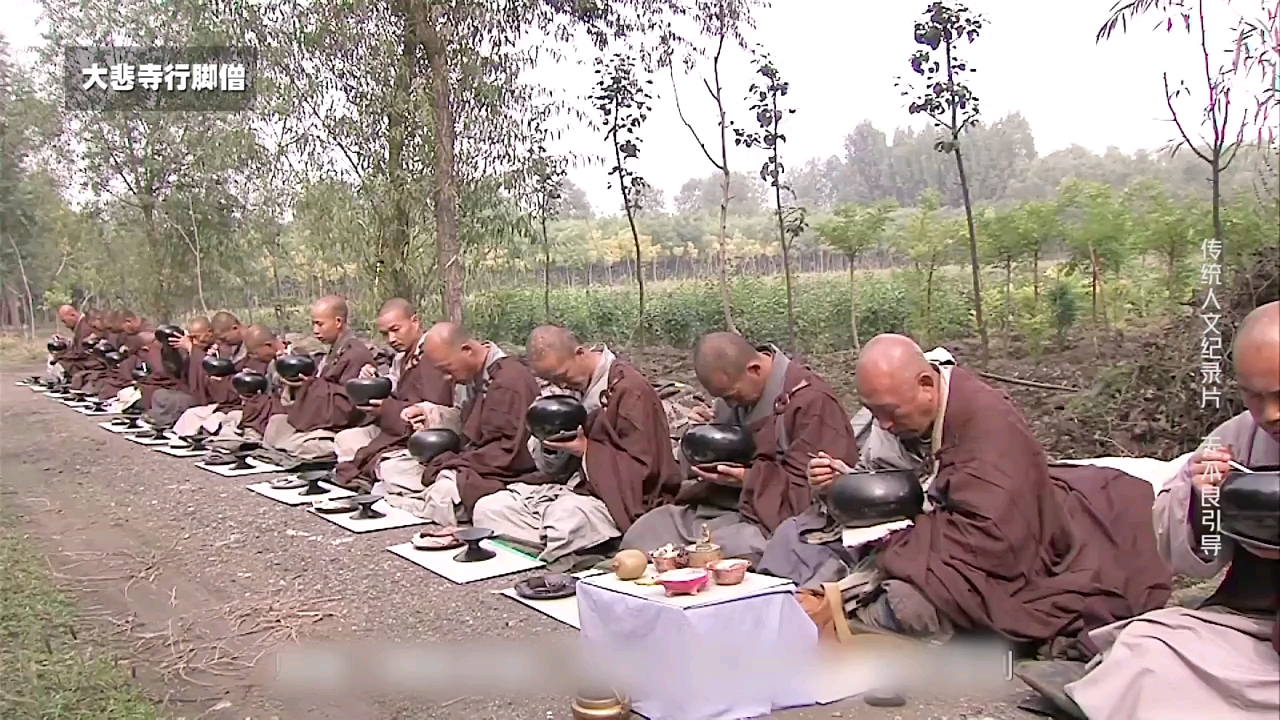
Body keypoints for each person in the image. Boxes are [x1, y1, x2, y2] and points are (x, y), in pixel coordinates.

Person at [782, 334, 1171, 653]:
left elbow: (995, 539)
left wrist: (902, 539)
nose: (882, 423)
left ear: (926, 385)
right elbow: (908, 482)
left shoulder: (988, 430)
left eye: (889, 412)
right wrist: (844, 482)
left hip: (1007, 557)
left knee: (907, 603)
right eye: (872, 411)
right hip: (923, 530)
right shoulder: (910, 417)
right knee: (800, 541)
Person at [1034, 302, 1279, 720]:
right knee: (1147, 649)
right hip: (1256, 630)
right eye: (1253, 396)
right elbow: (1195, 562)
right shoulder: (1235, 440)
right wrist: (1204, 501)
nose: (1270, 414)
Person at [620, 332, 859, 564]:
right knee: (645, 532)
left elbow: (814, 493)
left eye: (732, 396)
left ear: (754, 369)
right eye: (722, 398)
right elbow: (726, 452)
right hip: (727, 505)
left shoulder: (811, 401)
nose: (729, 404)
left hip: (778, 519)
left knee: (729, 549)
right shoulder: (735, 395)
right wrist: (705, 436)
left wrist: (749, 478)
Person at [470, 325, 682, 568]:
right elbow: (552, 470)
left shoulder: (629, 390)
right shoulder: (570, 389)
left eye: (562, 376)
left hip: (613, 498)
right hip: (569, 491)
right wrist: (550, 443)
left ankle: (558, 542)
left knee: (565, 518)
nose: (562, 385)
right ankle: (560, 544)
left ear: (580, 353)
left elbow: (647, 470)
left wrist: (587, 450)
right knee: (489, 507)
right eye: (552, 380)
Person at [332, 300, 453, 492]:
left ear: (415, 321)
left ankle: (376, 480)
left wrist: (389, 409)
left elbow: (437, 403)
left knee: (391, 468)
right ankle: (370, 480)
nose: (391, 338)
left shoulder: (434, 353)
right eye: (385, 334)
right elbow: (397, 388)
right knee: (345, 439)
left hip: (423, 433)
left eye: (396, 329)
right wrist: (373, 379)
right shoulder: (400, 358)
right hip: (396, 426)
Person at [260, 295, 375, 458]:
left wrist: (312, 386)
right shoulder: (333, 350)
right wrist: (298, 383)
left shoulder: (356, 354)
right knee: (275, 424)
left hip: (342, 426)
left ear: (338, 322)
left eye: (320, 324)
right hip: (322, 418)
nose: (315, 330)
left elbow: (348, 407)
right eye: (313, 324)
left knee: (298, 444)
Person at [171, 314, 251, 437]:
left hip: (239, 401)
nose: (221, 342)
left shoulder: (252, 345)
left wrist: (193, 349)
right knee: (191, 414)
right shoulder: (230, 345)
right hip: (225, 397)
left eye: (223, 338)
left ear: (235, 328)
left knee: (217, 418)